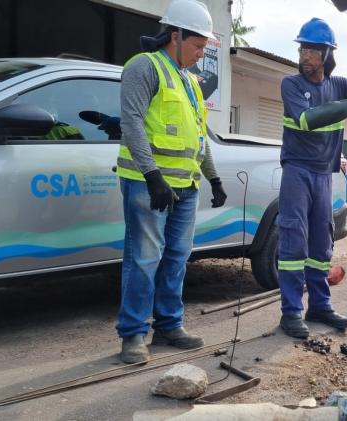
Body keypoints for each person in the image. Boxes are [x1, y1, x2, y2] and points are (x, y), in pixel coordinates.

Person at [115, 0, 227, 363]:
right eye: (196, 46)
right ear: (175, 36)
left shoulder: (192, 83)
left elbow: (199, 136)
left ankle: (169, 324)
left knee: (177, 256)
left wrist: (214, 177)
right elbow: (131, 122)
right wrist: (152, 175)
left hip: (186, 186)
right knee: (145, 258)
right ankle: (133, 334)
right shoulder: (144, 66)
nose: (199, 54)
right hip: (148, 184)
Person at [277, 17, 347, 338]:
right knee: (293, 242)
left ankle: (320, 306)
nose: (304, 56)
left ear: (327, 55)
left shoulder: (337, 85)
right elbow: (307, 119)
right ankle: (291, 312)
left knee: (321, 244)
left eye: (312, 51)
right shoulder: (292, 84)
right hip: (297, 172)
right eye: (302, 49)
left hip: (324, 175)